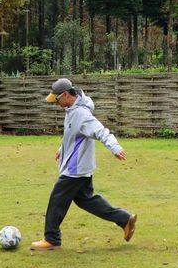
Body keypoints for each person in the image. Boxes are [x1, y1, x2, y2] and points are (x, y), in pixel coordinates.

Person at [30, 77, 137, 251]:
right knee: (87, 201)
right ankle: (124, 219)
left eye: (56, 99)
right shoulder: (72, 110)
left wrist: (115, 147)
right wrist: (62, 148)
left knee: (56, 199)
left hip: (75, 169)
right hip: (80, 167)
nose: (56, 103)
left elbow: (100, 130)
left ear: (66, 95)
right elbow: (74, 136)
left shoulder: (81, 114)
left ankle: (52, 239)